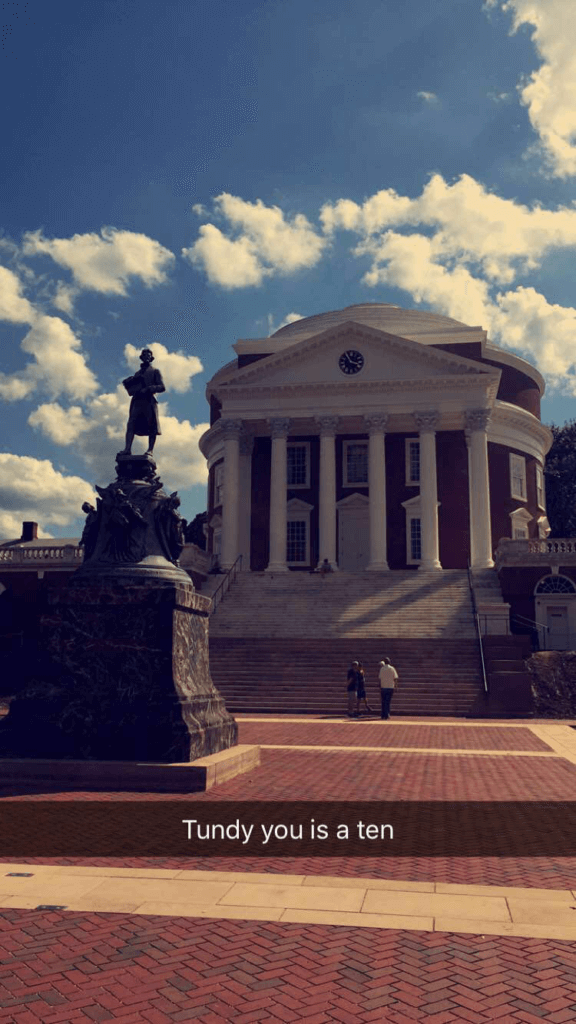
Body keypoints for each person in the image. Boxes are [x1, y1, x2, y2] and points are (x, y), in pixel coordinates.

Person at [120, 348, 165, 456]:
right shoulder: (137, 373)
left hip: (149, 401)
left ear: (151, 358)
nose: (147, 357)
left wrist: (149, 388)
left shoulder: (155, 371)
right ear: (141, 357)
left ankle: (150, 450)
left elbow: (162, 387)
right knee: (131, 425)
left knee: (152, 426)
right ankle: (127, 449)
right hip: (137, 401)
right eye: (144, 355)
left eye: (149, 355)